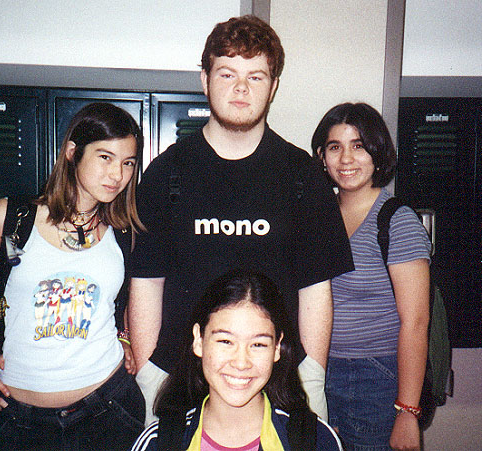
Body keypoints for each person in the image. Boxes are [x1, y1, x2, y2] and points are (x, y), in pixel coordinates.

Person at [128, 15, 354, 425]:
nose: (240, 88)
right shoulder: (166, 173)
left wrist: (311, 375)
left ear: (273, 87)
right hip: (177, 378)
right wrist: (148, 375)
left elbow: (316, 290)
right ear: (205, 79)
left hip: (281, 379)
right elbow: (145, 284)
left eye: (256, 76)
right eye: (227, 73)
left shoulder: (302, 175)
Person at [0, 102, 146, 450]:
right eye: (105, 157)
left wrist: (124, 336)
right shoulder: (10, 218)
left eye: (128, 163)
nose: (117, 175)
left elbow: (123, 298)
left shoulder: (122, 231)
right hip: (20, 421)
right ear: (72, 153)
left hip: (108, 411)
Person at [311, 102, 431, 450]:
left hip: (376, 377)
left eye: (359, 146)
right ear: (322, 156)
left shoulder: (397, 220)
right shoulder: (318, 216)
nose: (346, 158)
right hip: (317, 370)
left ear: (377, 153)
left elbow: (416, 322)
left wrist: (407, 411)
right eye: (335, 147)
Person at [130, 270, 343, 451]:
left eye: (258, 344)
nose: (241, 363)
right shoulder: (159, 441)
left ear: (277, 348)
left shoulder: (314, 440)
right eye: (225, 341)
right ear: (198, 340)